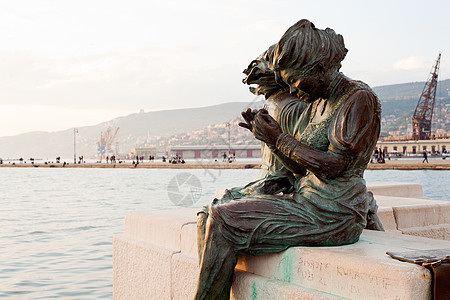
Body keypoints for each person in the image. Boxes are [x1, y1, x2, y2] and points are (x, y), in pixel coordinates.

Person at [194, 19, 383, 300]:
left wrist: (279, 139)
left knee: (222, 221)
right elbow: (301, 167)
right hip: (307, 199)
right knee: (207, 215)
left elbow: (335, 166)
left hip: (335, 212)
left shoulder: (358, 100)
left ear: (319, 69)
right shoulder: (318, 101)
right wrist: (268, 137)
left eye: (295, 82)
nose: (294, 92)